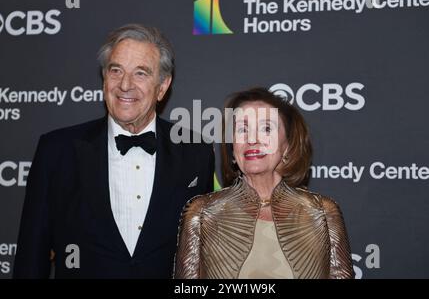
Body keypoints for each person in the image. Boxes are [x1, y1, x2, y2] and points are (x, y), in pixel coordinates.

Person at [13, 24, 214, 278]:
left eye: (141, 73)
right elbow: (32, 257)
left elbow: (204, 258)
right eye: (116, 70)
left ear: (162, 86)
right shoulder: (57, 151)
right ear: (104, 78)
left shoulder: (195, 154)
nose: (125, 85)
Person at [174, 87, 354, 279]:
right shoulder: (201, 213)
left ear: (288, 146)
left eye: (266, 128)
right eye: (242, 129)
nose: (252, 139)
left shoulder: (323, 213)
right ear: (232, 148)